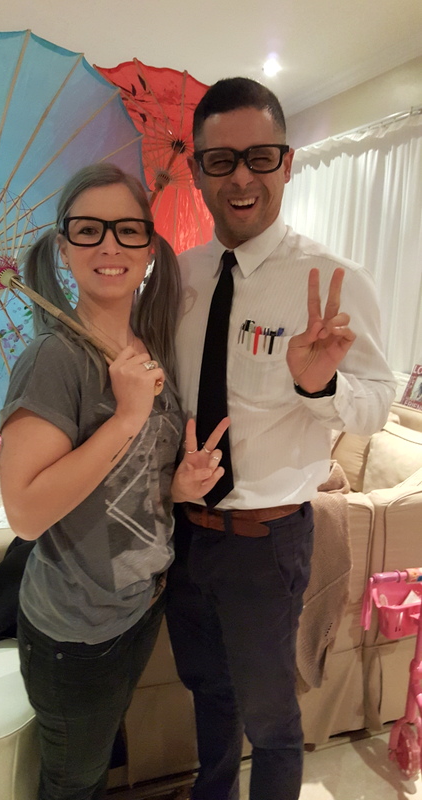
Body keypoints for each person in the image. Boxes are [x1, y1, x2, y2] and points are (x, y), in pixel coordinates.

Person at [165, 78, 396, 800]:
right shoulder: (179, 276)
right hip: (184, 533)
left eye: (260, 157)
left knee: (270, 721)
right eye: (221, 160)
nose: (241, 177)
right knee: (207, 692)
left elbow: (377, 405)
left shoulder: (333, 280)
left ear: (287, 164)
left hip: (265, 546)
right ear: (197, 171)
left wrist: (320, 387)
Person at [0, 163, 228, 800]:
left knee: (96, 768)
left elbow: (137, 479)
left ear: (149, 248)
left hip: (139, 608)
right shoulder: (54, 359)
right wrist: (126, 417)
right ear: (64, 245)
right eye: (89, 229)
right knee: (74, 784)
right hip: (75, 630)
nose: (109, 244)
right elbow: (24, 514)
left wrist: (179, 486)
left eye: (128, 229)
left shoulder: (149, 347)